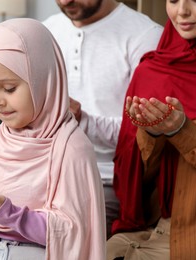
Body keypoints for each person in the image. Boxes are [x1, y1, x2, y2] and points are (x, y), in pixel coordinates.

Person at [0, 18, 107, 259]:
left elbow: (73, 234)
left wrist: (11, 215)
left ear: (43, 80)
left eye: (9, 88)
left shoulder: (71, 147)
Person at [107, 0, 196, 259]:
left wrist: (182, 132)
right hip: (149, 230)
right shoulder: (150, 72)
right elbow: (131, 183)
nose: (182, 11)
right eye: (173, 0)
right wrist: (152, 135)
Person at [42, 0, 163, 237]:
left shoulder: (146, 37)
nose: (65, 1)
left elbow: (146, 136)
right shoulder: (45, 31)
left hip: (106, 180)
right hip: (43, 173)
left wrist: (83, 120)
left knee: (61, 237)